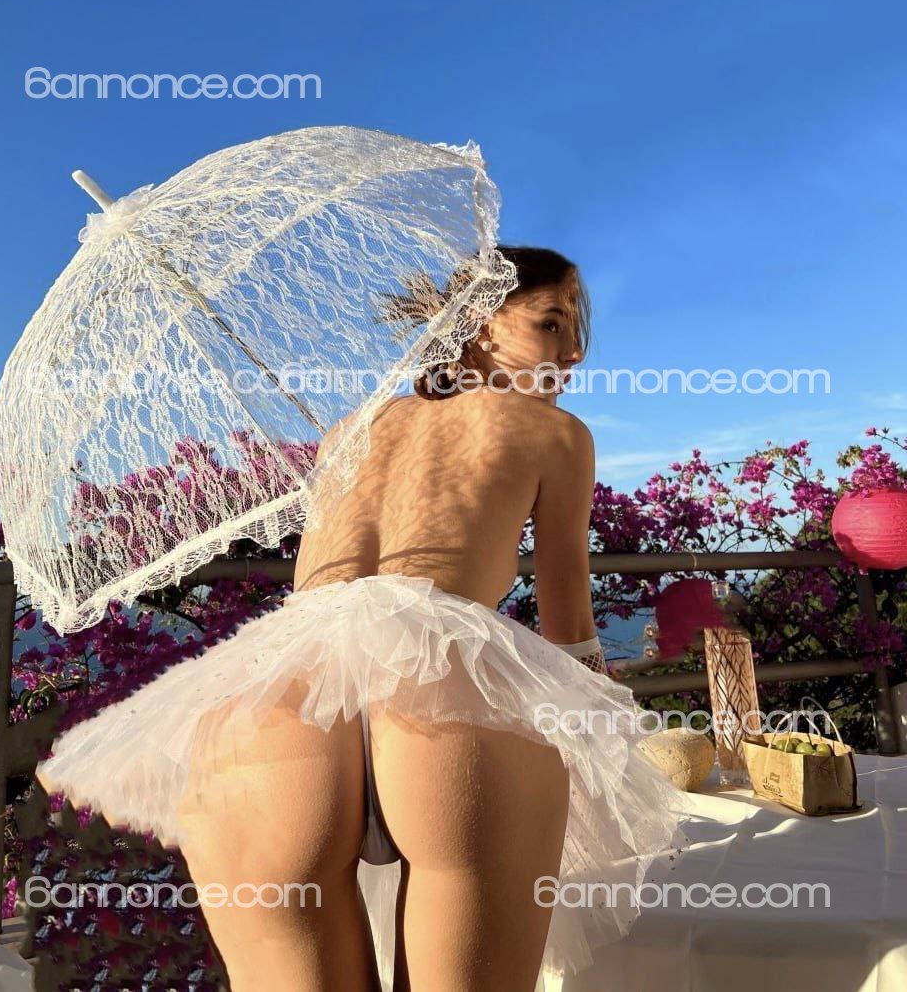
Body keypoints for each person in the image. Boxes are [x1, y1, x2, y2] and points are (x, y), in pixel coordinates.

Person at [36, 245, 690, 992]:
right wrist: (599, 718)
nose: (573, 351)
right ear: (480, 324)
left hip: (283, 691)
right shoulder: (554, 432)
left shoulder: (348, 428)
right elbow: (566, 608)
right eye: (552, 322)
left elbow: (325, 584)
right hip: (444, 689)